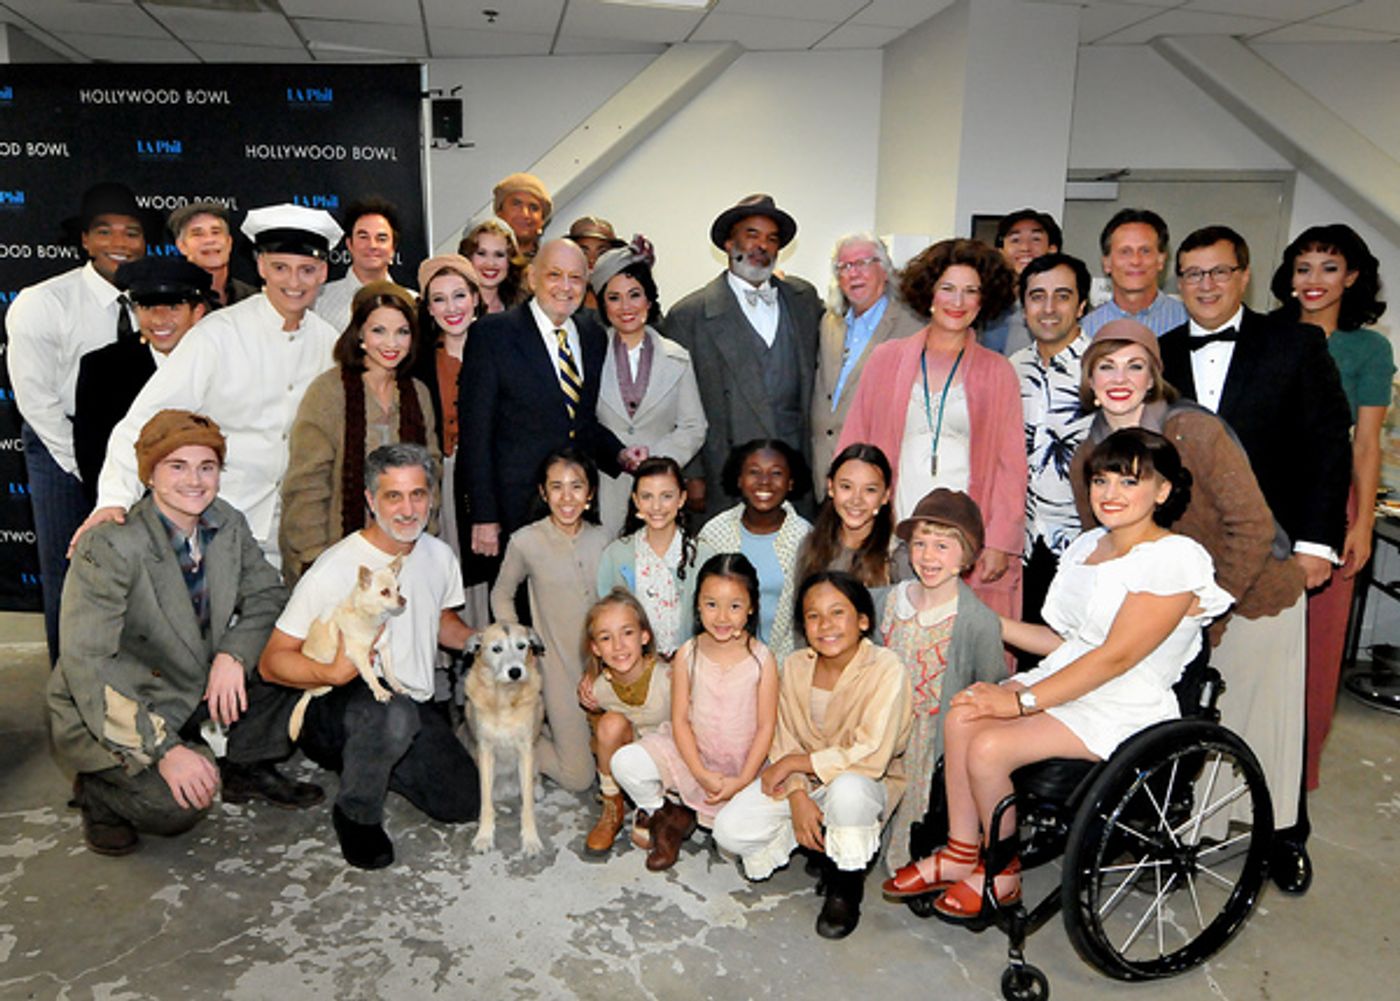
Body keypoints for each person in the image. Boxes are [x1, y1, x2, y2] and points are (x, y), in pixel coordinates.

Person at [916, 429, 1231, 922]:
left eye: (1129, 482)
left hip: (1125, 701)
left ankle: (1001, 872)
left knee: (988, 746)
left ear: (1163, 491)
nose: (1110, 494)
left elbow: (1115, 658)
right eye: (1101, 481)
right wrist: (983, 619)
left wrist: (1020, 702)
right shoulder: (1089, 546)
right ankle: (960, 849)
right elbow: (1070, 646)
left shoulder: (1175, 559)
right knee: (963, 712)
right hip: (1072, 677)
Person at [1068, 318, 1308, 892]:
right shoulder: (1088, 453)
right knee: (1180, 733)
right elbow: (1102, 541)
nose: (1120, 378)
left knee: (1258, 735)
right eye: (1106, 366)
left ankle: (1283, 841)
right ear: (1090, 379)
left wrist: (1210, 607)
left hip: (1248, 599)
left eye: (1135, 365)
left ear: (1154, 375)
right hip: (1166, 617)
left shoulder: (1193, 432)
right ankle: (1182, 842)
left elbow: (1250, 526)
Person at [1160, 225, 1353, 892]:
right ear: (1177, 282)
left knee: (1273, 705)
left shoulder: (1295, 344)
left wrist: (1315, 547)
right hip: (1184, 566)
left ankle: (1283, 834)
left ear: (1244, 275)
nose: (1205, 284)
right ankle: (1185, 832)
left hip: (1273, 561)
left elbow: (1330, 446)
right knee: (1190, 702)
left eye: (1218, 271)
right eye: (1191, 273)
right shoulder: (1154, 356)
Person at [49, 411, 321, 857]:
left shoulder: (225, 523)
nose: (194, 480)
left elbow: (268, 596)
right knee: (177, 806)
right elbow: (88, 666)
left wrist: (232, 655)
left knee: (291, 653)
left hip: (189, 681)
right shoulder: (111, 546)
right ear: (150, 476)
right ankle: (100, 794)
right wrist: (166, 751)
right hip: (113, 702)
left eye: (207, 467)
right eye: (177, 466)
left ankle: (245, 763)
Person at [83, 203, 344, 568]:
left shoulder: (329, 343)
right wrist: (114, 498)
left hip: (299, 533)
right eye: (281, 268)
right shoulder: (217, 336)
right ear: (261, 267)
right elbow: (146, 422)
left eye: (307, 270)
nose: (294, 282)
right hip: (221, 526)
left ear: (324, 273)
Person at [259, 443, 478, 870]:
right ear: (370, 500)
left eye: (417, 494)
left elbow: (439, 620)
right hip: (338, 702)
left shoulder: (439, 554)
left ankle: (376, 756)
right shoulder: (336, 568)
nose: (407, 509)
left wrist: (480, 641)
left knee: (464, 802)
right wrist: (331, 671)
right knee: (391, 716)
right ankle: (356, 813)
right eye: (393, 496)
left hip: (409, 698)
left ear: (432, 497)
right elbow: (272, 661)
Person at [712, 572, 913, 940]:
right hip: (806, 781)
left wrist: (794, 765)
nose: (826, 625)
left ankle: (845, 885)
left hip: (865, 782)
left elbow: (872, 754)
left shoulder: (886, 668)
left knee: (848, 791)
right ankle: (821, 838)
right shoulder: (795, 666)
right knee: (729, 831)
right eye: (813, 615)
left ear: (863, 620)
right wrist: (798, 794)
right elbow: (785, 740)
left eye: (838, 613)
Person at [837, 237, 1027, 622]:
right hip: (895, 526)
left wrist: (1000, 541)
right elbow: (855, 442)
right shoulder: (885, 359)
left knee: (957, 647)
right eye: (948, 289)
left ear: (983, 301)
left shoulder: (998, 370)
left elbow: (1012, 466)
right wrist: (852, 517)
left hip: (967, 534)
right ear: (929, 294)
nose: (957, 302)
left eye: (970, 291)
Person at [1270, 224, 1394, 792]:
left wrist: (1361, 523)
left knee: (1318, 653)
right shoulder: (1265, 336)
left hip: (1329, 501)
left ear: (1352, 277)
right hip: (1263, 501)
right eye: (1303, 267)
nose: (1313, 280)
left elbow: (1365, 446)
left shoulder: (1368, 348)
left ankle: (1297, 784)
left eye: (1328, 267)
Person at [7, 181, 150, 662]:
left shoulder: (153, 301)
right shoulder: (43, 302)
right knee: (69, 573)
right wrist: (85, 464)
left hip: (135, 446)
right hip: (61, 448)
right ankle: (68, 689)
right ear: (85, 241)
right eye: (105, 231)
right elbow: (36, 399)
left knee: (139, 572)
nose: (120, 243)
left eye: (131, 233)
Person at [457, 238, 640, 564]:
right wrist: (484, 515)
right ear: (532, 278)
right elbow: (476, 434)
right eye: (554, 275)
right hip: (515, 506)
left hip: (576, 505)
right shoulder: (492, 334)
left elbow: (579, 420)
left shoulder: (592, 334)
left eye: (576, 278)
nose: (565, 287)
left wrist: (620, 454)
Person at [611, 553, 780, 871]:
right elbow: (679, 721)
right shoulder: (688, 652)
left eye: (735, 606)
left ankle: (708, 815)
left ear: (752, 607)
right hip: (691, 754)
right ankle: (666, 811)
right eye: (711, 604)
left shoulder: (762, 659)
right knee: (625, 763)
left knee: (734, 844)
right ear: (698, 605)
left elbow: (766, 727)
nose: (722, 617)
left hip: (742, 765)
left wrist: (743, 779)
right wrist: (699, 773)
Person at [876, 489, 1007, 881]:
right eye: (919, 544)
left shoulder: (977, 621)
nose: (928, 556)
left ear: (966, 557)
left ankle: (915, 862)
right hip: (882, 727)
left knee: (917, 809)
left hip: (929, 738)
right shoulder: (886, 600)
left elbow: (990, 685)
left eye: (942, 546)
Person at [667, 194, 822, 519]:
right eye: (752, 234)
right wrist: (691, 475)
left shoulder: (804, 300)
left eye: (771, 239)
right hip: (725, 468)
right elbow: (676, 407)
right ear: (728, 242)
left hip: (794, 468)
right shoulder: (689, 316)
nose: (761, 246)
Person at [280, 281, 439, 583]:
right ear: (360, 334)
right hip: (334, 556)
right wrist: (316, 561)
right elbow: (307, 484)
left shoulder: (417, 393)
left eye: (402, 332)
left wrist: (423, 541)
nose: (391, 343)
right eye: (379, 330)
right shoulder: (328, 392)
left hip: (403, 558)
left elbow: (431, 475)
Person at [490, 448, 611, 792]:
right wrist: (519, 646)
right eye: (556, 487)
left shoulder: (604, 539)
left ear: (590, 493)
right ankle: (519, 743)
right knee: (579, 778)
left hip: (603, 667)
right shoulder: (526, 541)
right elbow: (501, 593)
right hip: (556, 671)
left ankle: (549, 728)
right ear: (543, 493)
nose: (567, 497)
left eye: (576, 486)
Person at [1008, 252, 1094, 665]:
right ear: (1023, 305)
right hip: (1022, 543)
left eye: (1062, 296)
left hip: (1083, 544)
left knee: (1078, 660)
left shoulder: (1103, 369)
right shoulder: (1011, 370)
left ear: (1081, 305)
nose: (1048, 308)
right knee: (1027, 662)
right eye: (1037, 296)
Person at [589, 235, 707, 536]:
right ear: (602, 304)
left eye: (634, 294)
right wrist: (619, 454)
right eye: (614, 297)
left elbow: (693, 426)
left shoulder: (677, 357)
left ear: (649, 299)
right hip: (604, 488)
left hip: (660, 491)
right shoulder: (589, 355)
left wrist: (655, 457)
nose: (625, 307)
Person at [73, 257, 211, 506]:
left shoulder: (221, 361)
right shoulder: (102, 367)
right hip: (135, 515)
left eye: (173, 308)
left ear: (197, 312)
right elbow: (94, 458)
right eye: (147, 307)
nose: (159, 320)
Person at [810, 233, 923, 497]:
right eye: (844, 267)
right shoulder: (830, 322)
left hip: (877, 475)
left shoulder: (913, 325)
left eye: (863, 263)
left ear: (884, 270)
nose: (853, 273)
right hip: (827, 472)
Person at [697, 439, 813, 663]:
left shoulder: (807, 539)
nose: (764, 482)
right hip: (724, 663)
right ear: (739, 479)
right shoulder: (713, 534)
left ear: (791, 482)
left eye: (776, 473)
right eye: (754, 472)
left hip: (789, 665)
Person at [576, 589, 673, 856]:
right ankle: (613, 805)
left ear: (644, 636)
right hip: (634, 766)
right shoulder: (598, 689)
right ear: (596, 648)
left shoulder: (668, 679)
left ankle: (667, 805)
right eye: (606, 638)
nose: (618, 646)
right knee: (609, 724)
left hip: (673, 759)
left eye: (627, 633)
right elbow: (598, 740)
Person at [595, 457, 714, 656]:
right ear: (636, 500)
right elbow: (605, 620)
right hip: (633, 668)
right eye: (647, 496)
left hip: (692, 666)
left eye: (666, 496)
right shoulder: (616, 555)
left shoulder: (703, 555)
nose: (656, 506)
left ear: (682, 498)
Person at [795, 444, 898, 592]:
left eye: (870, 490)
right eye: (846, 487)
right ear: (831, 487)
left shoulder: (896, 555)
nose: (856, 500)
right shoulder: (811, 546)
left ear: (885, 496)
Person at [1080, 208, 1188, 337]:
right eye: (1125, 252)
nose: (1135, 261)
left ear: (1161, 260)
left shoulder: (1189, 320)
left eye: (1145, 251)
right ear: (1106, 263)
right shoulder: (1085, 330)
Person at [315, 197, 406, 333]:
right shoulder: (319, 301)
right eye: (363, 237)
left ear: (393, 248)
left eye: (381, 239)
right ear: (349, 244)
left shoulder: (411, 301)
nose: (372, 245)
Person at [981, 208, 1063, 356]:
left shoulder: (1064, 303)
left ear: (1052, 249)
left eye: (1036, 239)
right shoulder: (986, 301)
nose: (1025, 248)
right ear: (1001, 251)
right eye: (1015, 240)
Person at [168, 201, 256, 308]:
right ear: (181, 246)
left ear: (229, 242)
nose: (209, 240)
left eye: (216, 232)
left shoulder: (253, 297)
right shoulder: (173, 300)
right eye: (198, 234)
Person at [457, 217, 526, 315]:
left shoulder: (524, 310)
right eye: (481, 253)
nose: (490, 264)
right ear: (467, 256)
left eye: (499, 255)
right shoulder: (454, 309)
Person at [568, 215, 622, 312]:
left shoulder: (630, 304)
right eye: (584, 252)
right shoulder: (558, 303)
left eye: (601, 253)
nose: (592, 260)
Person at [492, 172, 552, 259]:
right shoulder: (477, 266)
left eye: (534, 208)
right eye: (516, 204)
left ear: (542, 221)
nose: (525, 214)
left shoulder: (550, 266)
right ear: (499, 213)